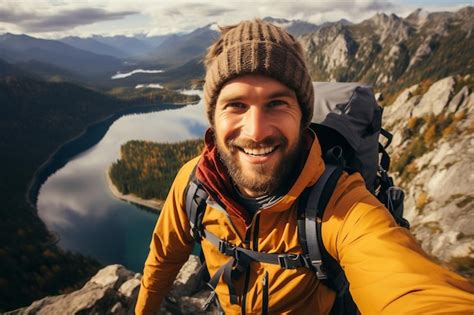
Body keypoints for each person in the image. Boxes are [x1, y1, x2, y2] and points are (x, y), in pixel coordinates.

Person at [135, 19, 474, 314]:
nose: (256, 131)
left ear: (302, 116)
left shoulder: (340, 203)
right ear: (213, 118)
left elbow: (410, 287)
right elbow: (162, 262)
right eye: (235, 105)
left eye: (277, 103)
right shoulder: (193, 184)